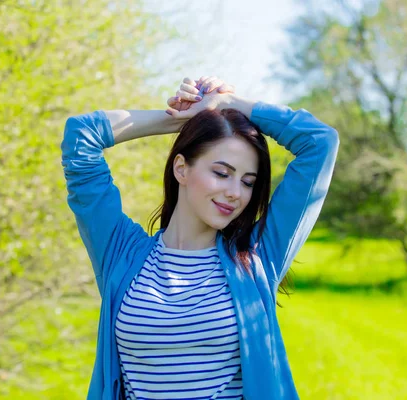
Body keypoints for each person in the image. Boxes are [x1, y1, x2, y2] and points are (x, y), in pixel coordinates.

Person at [61, 76, 339, 400]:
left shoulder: (257, 257)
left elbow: (320, 142)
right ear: (181, 168)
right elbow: (81, 135)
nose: (235, 193)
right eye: (221, 173)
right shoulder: (121, 254)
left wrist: (228, 104)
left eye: (248, 182)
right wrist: (181, 119)